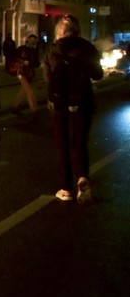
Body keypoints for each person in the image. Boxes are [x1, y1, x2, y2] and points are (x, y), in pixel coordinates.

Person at [43, 15, 103, 204]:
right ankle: (83, 180)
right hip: (83, 100)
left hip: (59, 103)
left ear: (59, 31)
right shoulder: (87, 48)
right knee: (80, 143)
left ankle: (66, 188)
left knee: (63, 144)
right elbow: (98, 75)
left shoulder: (52, 49)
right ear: (77, 30)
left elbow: (48, 77)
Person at [10, 34, 40, 114]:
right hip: (21, 72)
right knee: (30, 91)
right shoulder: (22, 49)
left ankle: (15, 106)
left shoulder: (35, 50)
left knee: (23, 90)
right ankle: (34, 110)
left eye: (34, 41)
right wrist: (23, 61)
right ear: (27, 40)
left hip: (29, 73)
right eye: (31, 40)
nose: (33, 42)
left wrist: (33, 63)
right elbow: (13, 57)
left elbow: (37, 63)